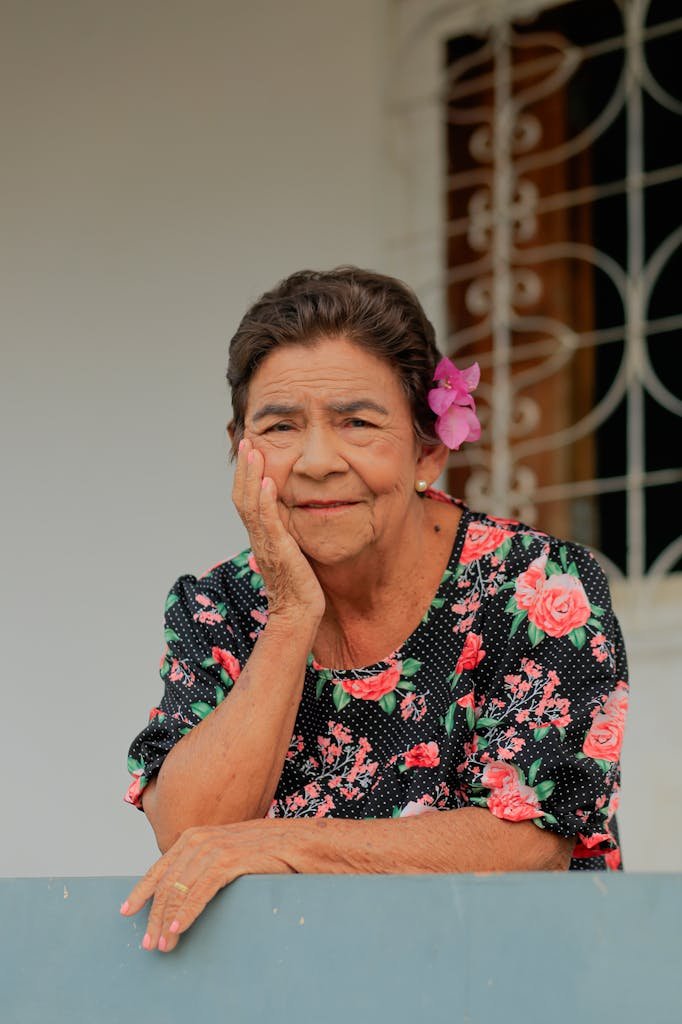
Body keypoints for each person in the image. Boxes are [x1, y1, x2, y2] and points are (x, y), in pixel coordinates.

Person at [121, 267, 628, 953]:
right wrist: (293, 614)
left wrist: (279, 844)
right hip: (291, 988)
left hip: (509, 982)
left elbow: (529, 838)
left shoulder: (535, 586)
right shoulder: (222, 605)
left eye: (357, 422)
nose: (318, 460)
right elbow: (190, 829)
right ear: (242, 453)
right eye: (280, 427)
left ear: (427, 450)